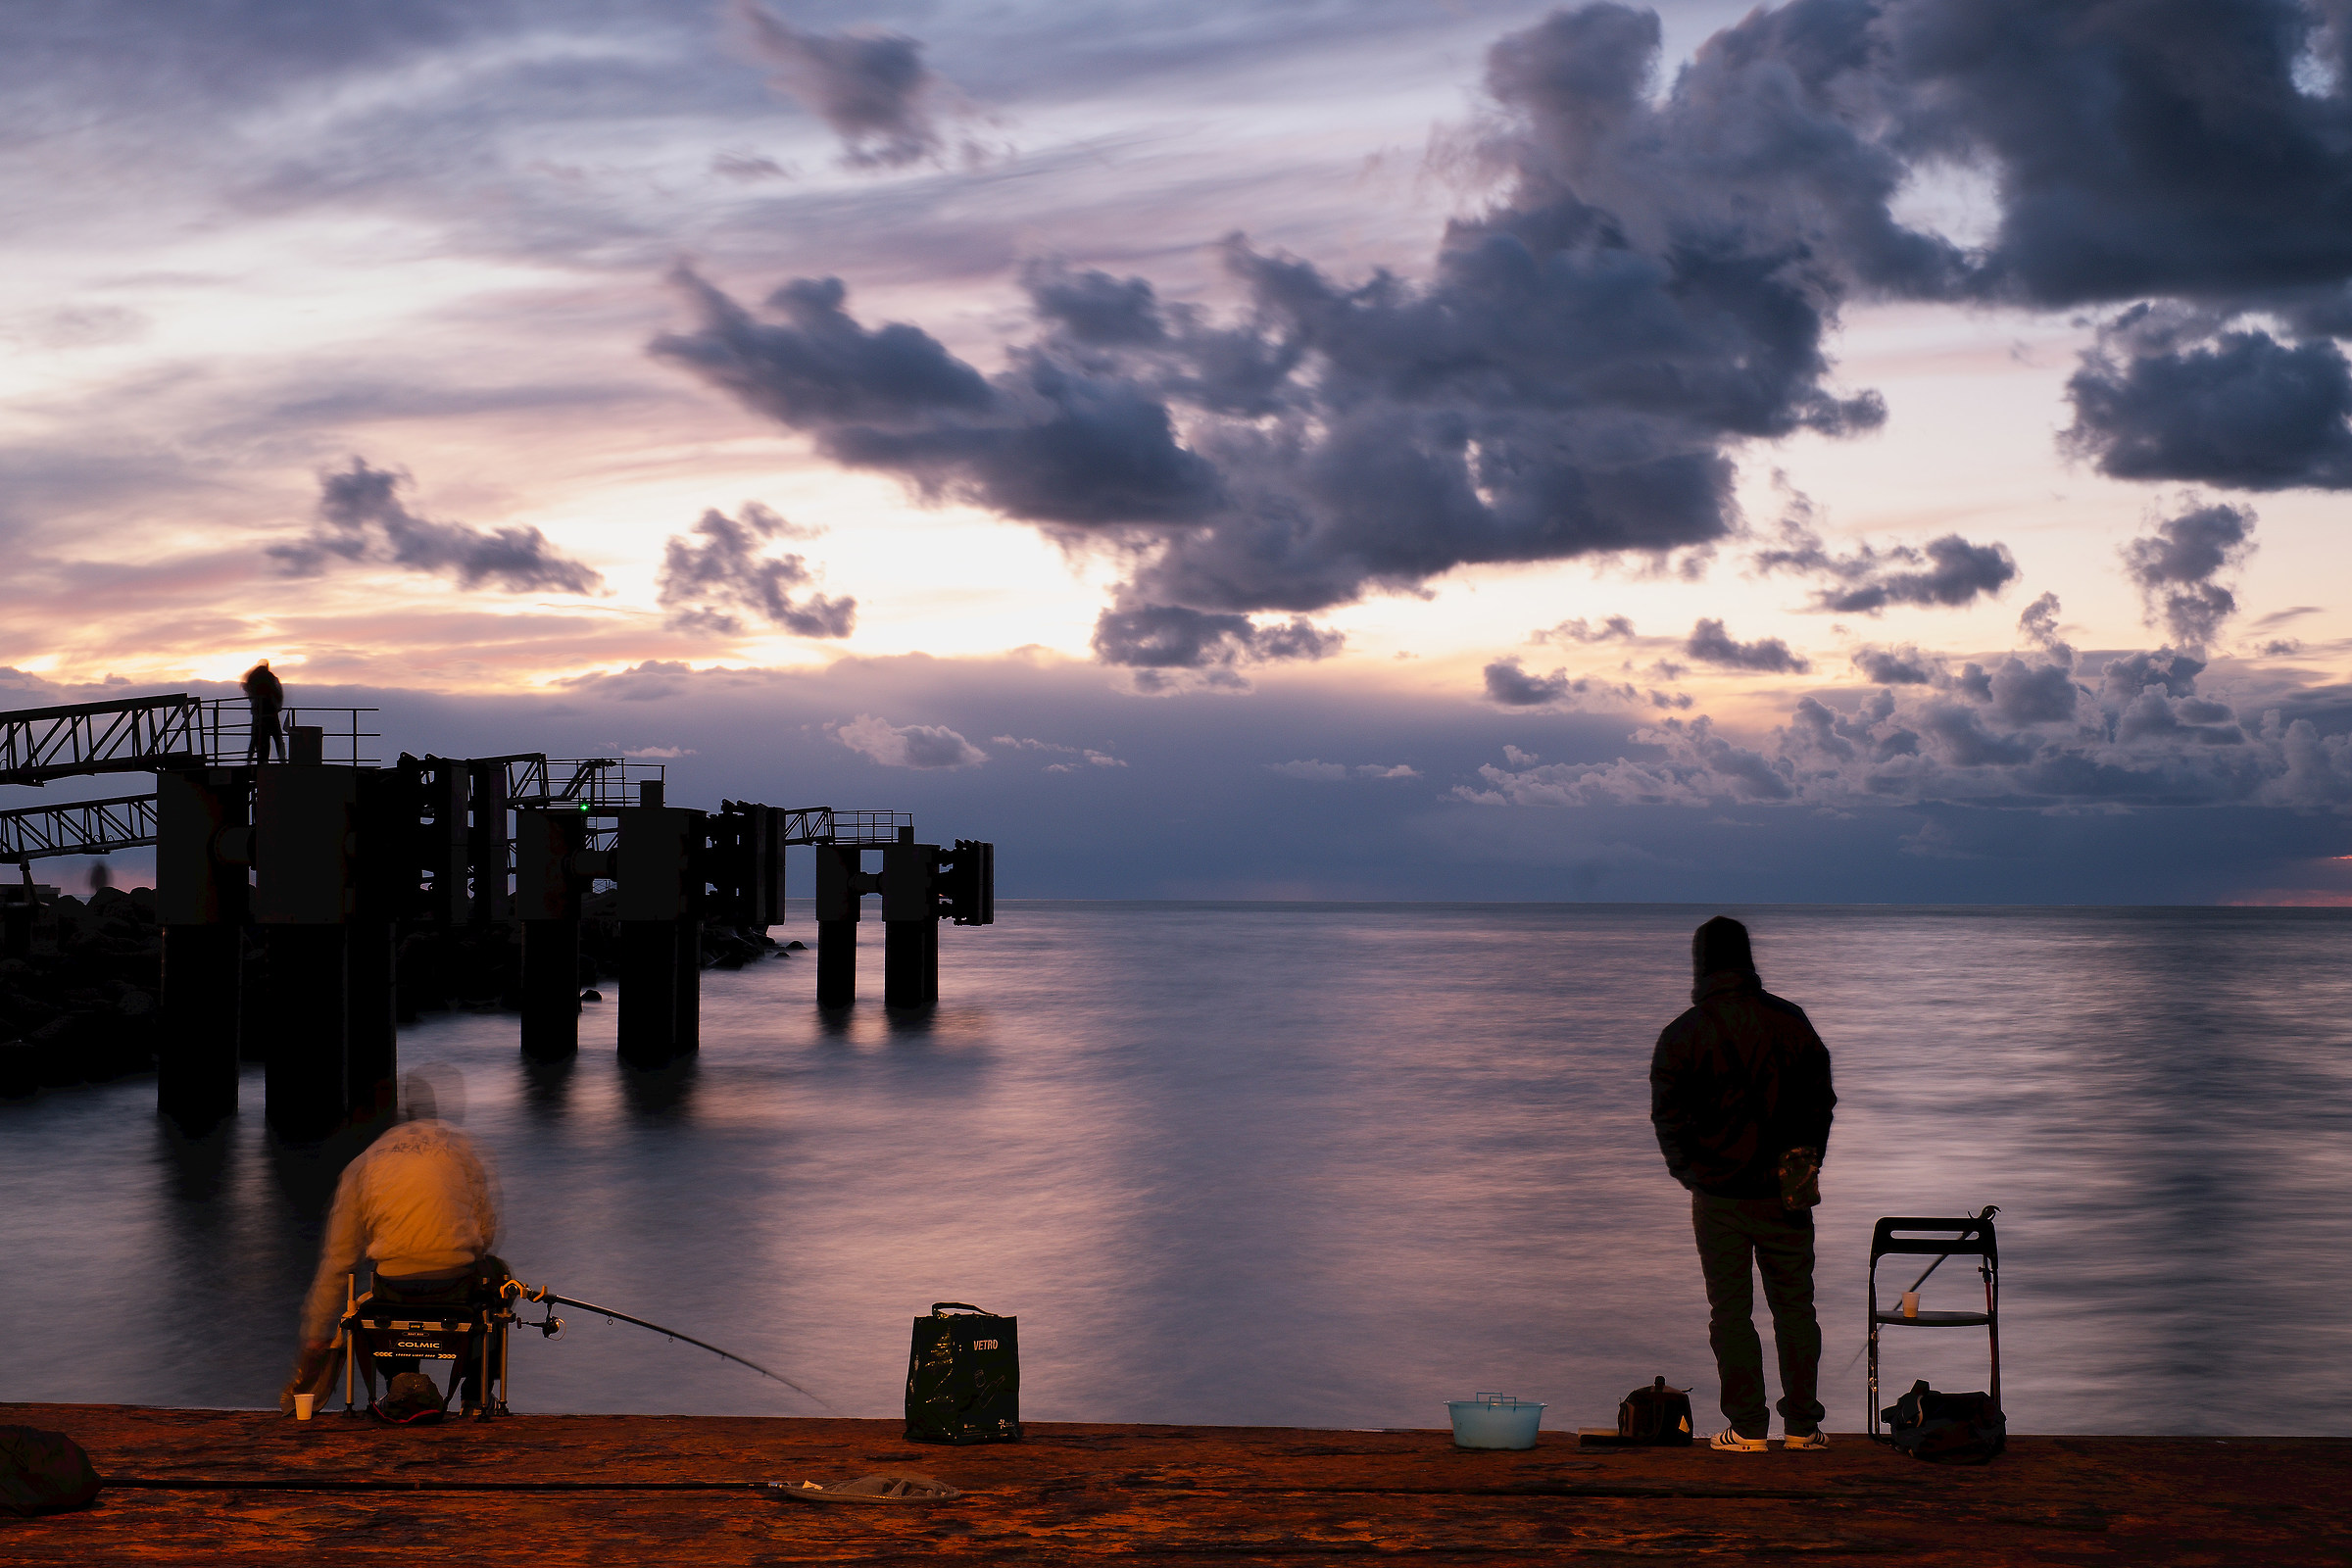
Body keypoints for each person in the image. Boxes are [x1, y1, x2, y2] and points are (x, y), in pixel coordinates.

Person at [1649, 915, 1837, 1453]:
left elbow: (1669, 1118)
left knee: (1730, 1313)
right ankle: (1803, 1427)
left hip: (1718, 1197)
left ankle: (1748, 1429)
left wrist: (1691, 1174)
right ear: (1747, 958)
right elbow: (1821, 1102)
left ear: (1701, 963)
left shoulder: (1683, 1034)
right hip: (1787, 1193)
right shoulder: (1792, 1021)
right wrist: (1805, 1162)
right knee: (1796, 1308)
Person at [282, 1072, 503, 1416]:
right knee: (500, 1281)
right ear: (435, 1112)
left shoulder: (364, 1162)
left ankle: (402, 1385)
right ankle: (474, 1397)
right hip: (454, 1285)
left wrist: (315, 1334)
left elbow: (339, 1261)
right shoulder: (461, 1148)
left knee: (376, 1296)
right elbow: (486, 1232)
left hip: (395, 1289)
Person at [241, 660, 286, 765]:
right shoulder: (270, 677)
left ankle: (254, 761)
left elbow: (249, 692)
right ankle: (282, 760)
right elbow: (278, 693)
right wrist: (278, 705)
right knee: (277, 738)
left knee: (257, 739)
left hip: (258, 714)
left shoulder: (252, 678)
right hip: (271, 713)